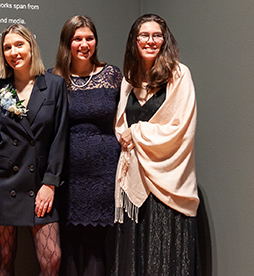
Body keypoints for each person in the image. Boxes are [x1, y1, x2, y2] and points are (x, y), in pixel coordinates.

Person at [112, 14, 200, 276]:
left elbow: (181, 127)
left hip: (167, 183)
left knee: (162, 258)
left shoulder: (179, 75)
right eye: (144, 35)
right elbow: (120, 127)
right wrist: (128, 134)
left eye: (156, 35)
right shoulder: (129, 80)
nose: (150, 41)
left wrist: (137, 132)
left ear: (165, 40)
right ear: (134, 40)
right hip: (134, 182)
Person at [0, 24, 69, 276]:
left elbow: (60, 137)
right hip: (5, 183)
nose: (14, 52)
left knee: (52, 259)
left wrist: (50, 182)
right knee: (4, 258)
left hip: (39, 183)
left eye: (19, 45)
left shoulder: (54, 84)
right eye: (7, 48)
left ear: (31, 47)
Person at [50, 16, 122, 276]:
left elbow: (122, 120)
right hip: (65, 174)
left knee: (95, 246)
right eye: (77, 39)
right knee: (66, 247)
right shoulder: (53, 79)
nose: (84, 44)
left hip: (103, 173)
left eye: (89, 38)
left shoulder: (112, 75)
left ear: (96, 41)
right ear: (66, 43)